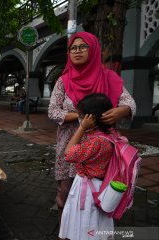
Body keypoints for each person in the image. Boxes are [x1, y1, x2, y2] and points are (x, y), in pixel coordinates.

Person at [48, 31, 136, 229]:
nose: (77, 51)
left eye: (82, 47)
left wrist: (121, 111)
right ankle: (68, 226)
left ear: (93, 49)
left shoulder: (108, 77)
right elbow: (53, 111)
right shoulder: (63, 80)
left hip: (100, 147)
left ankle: (96, 228)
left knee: (100, 190)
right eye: (73, 48)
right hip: (70, 142)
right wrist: (80, 118)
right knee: (67, 189)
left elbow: (129, 103)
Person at [59, 93, 115, 240]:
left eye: (82, 116)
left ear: (91, 119)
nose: (80, 119)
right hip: (100, 186)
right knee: (96, 219)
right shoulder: (110, 135)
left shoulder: (96, 141)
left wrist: (81, 128)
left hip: (88, 188)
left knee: (85, 219)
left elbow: (68, 154)